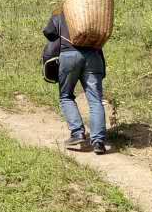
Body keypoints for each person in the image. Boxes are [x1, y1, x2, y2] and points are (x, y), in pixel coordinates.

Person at [43, 10, 109, 154]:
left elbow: (48, 32)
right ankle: (98, 142)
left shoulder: (62, 13)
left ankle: (77, 133)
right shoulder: (93, 14)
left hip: (69, 56)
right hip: (94, 57)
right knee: (95, 100)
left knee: (66, 96)